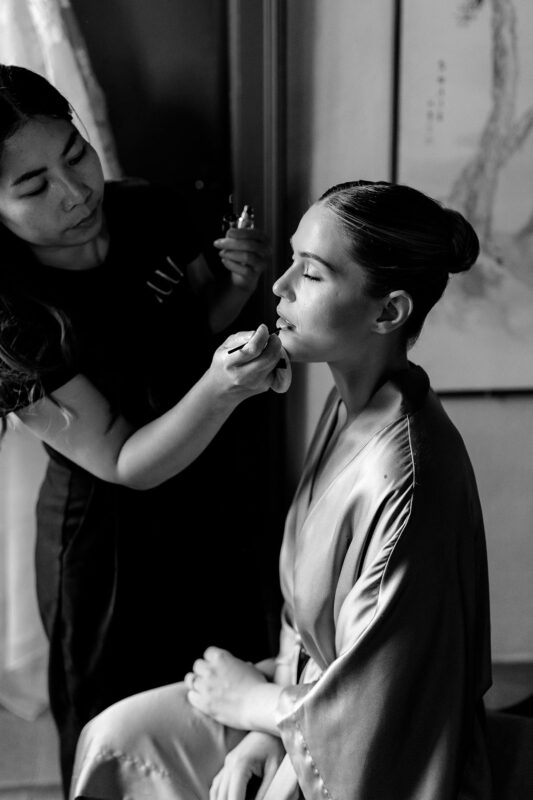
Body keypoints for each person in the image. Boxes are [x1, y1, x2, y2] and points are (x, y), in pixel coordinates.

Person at [70, 180, 493, 800]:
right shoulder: (349, 406)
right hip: (302, 706)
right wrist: (266, 730)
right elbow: (306, 620)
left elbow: (381, 711)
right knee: (115, 734)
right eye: (291, 259)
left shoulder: (406, 480)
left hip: (372, 755)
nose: (279, 286)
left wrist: (259, 706)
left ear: (388, 312)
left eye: (312, 274)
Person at [0, 64, 291, 794]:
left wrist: (236, 287)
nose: (75, 193)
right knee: (121, 736)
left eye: (76, 155)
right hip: (108, 542)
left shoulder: (150, 209)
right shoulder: (10, 313)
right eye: (33, 187)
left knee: (232, 710)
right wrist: (222, 388)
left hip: (214, 498)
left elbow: (188, 330)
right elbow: (125, 458)